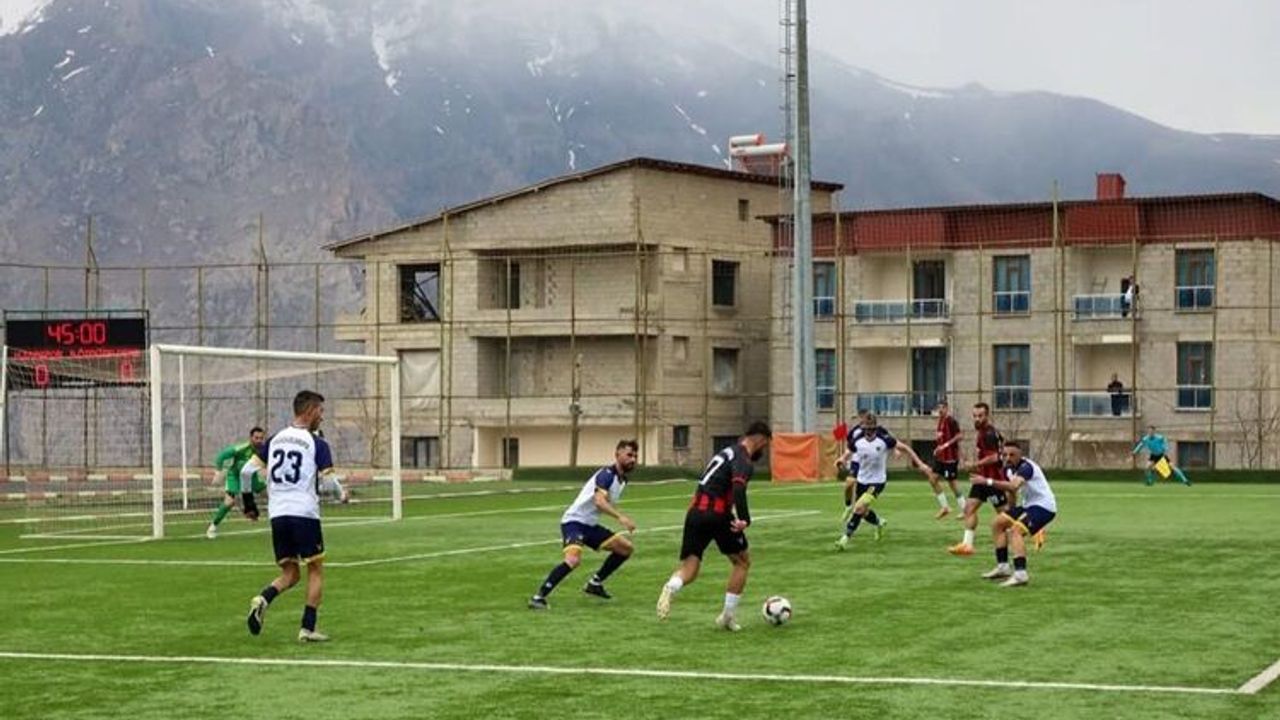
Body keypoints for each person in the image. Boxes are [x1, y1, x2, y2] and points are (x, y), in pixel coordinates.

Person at [656, 421, 772, 631]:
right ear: (760, 438)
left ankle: (672, 586)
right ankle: (727, 616)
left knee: (690, 568)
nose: (764, 450)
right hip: (718, 514)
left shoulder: (726, 452)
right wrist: (744, 519)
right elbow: (738, 488)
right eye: (765, 444)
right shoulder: (743, 458)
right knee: (742, 562)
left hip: (695, 513)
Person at [243, 390, 336, 643]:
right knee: (315, 569)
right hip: (304, 513)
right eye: (320, 411)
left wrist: (249, 505)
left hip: (278, 514)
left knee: (291, 573)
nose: (322, 417)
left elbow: (245, 472)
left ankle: (262, 599)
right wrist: (342, 494)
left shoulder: (274, 440)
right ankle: (308, 628)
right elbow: (329, 483)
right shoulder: (317, 443)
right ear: (310, 411)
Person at [528, 440, 639, 610]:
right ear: (617, 455)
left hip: (590, 525)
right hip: (574, 522)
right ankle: (538, 597)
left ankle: (595, 584)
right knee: (573, 560)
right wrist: (620, 517)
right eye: (629, 455)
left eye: (635, 456)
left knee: (625, 548)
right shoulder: (606, 475)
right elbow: (599, 501)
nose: (633, 459)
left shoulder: (622, 480)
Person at [833, 413, 935, 550]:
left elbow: (906, 448)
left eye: (872, 429)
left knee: (858, 507)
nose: (869, 432)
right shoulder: (857, 440)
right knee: (863, 512)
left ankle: (844, 539)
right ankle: (878, 522)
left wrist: (920, 464)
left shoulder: (884, 439)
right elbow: (848, 452)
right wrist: (841, 459)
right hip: (862, 480)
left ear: (876, 428)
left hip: (877, 481)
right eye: (866, 429)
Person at [980, 442, 1058, 587]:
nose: (1008, 458)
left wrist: (987, 481)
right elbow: (1012, 492)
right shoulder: (1008, 470)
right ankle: (1003, 567)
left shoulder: (1026, 467)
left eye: (1012, 455)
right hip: (1029, 506)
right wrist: (1011, 513)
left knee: (1015, 530)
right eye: (1005, 455)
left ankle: (1021, 574)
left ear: (1020, 455)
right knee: (997, 523)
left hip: (1044, 507)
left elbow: (1014, 485)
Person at [948, 402, 1009, 556]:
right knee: (969, 509)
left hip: (993, 480)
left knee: (1005, 515)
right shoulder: (985, 432)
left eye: (980, 416)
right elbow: (1000, 447)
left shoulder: (988, 434)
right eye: (974, 416)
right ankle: (967, 545)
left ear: (987, 416)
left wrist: (975, 464)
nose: (977, 419)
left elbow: (994, 457)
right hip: (981, 479)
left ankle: (1034, 528)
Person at [205, 426, 267, 539]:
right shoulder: (241, 448)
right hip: (235, 478)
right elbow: (221, 456)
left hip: (252, 478)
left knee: (271, 495)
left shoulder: (264, 450)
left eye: (261, 438)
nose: (259, 440)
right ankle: (212, 527)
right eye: (256, 438)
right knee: (229, 502)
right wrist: (218, 472)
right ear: (251, 438)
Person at [929, 400, 967, 518]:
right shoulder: (940, 421)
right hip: (941, 458)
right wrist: (938, 448)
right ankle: (945, 507)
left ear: (947, 408)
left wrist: (945, 446)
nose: (940, 410)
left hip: (950, 458)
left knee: (952, 484)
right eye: (939, 408)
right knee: (932, 479)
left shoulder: (951, 421)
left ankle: (965, 510)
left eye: (942, 408)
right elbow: (941, 439)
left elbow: (960, 436)